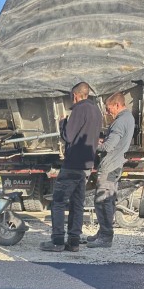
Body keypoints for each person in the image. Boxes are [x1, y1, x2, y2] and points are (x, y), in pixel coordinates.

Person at [41, 82, 103, 253]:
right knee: (77, 204)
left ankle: (57, 241)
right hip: (86, 165)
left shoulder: (79, 109)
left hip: (72, 164)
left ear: (75, 95)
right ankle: (74, 242)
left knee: (58, 202)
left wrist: (63, 123)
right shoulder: (96, 111)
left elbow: (68, 136)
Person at [87, 92, 135, 248]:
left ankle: (105, 237)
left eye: (109, 109)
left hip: (109, 166)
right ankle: (103, 232)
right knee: (108, 200)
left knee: (103, 201)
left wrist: (92, 143)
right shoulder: (129, 118)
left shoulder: (119, 122)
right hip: (116, 165)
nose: (108, 112)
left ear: (117, 105)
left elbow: (108, 147)